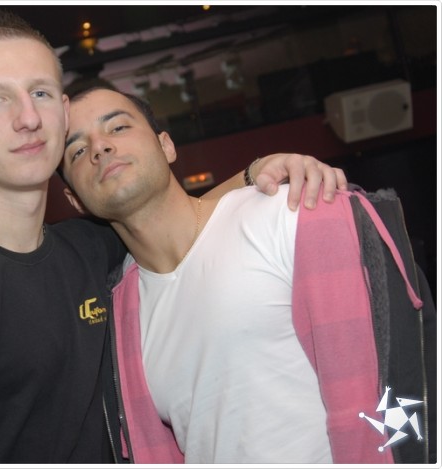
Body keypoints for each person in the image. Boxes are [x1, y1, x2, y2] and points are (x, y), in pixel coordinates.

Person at [0, 10, 347, 463]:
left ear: (61, 110)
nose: (27, 118)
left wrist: (257, 171)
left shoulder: (90, 248)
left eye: (40, 93)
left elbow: (164, 210)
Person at [59, 87, 430, 464]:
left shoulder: (291, 213)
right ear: (75, 200)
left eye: (118, 127)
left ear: (166, 145)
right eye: (77, 151)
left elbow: (399, 378)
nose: (100, 147)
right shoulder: (120, 318)